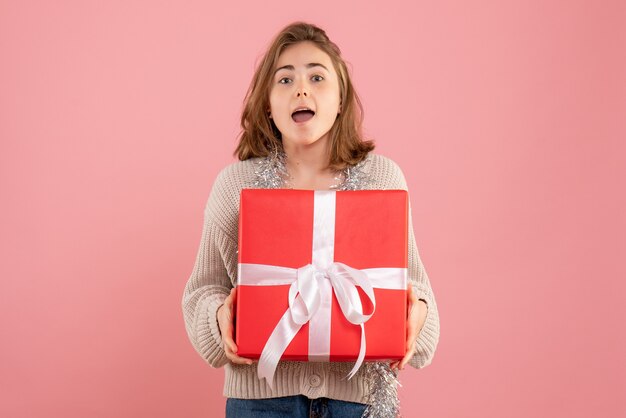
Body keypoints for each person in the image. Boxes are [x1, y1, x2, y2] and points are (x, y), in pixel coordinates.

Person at [182, 21, 440, 418]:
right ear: (268, 104)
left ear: (340, 100)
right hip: (261, 403)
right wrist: (219, 318)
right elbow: (203, 289)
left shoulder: (382, 179)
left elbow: (414, 285)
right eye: (285, 80)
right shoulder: (234, 186)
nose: (301, 88)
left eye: (317, 77)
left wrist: (416, 312)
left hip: (357, 402)